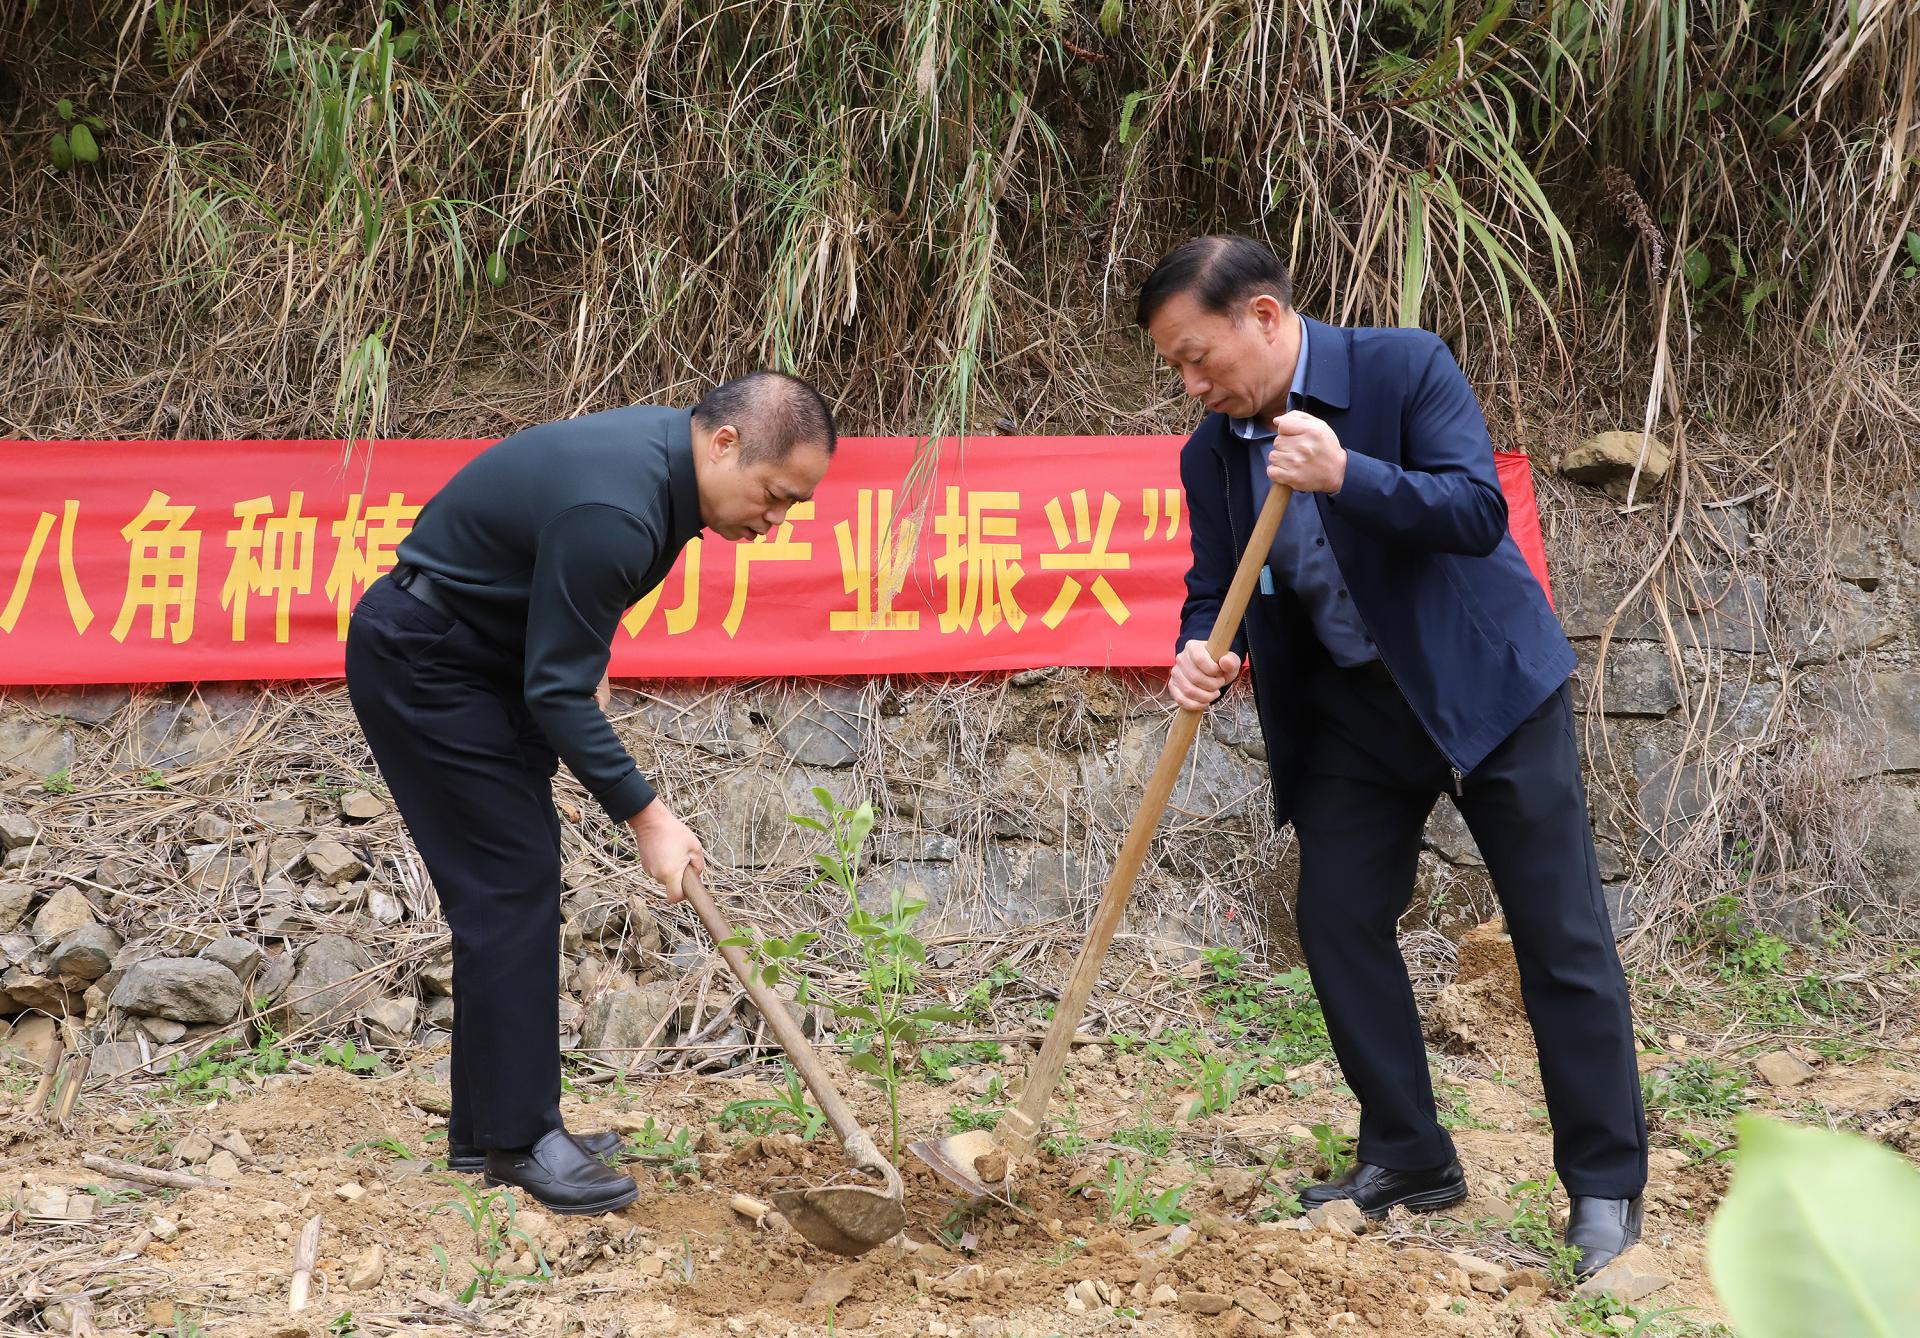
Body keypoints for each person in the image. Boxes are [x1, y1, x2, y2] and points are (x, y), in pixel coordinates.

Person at [1139, 236, 1647, 1276]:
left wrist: (1347, 473)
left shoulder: (1401, 367)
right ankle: (1410, 1154)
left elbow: (1473, 511)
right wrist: (1201, 646)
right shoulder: (1211, 453)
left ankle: (1603, 1186)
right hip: (1353, 715)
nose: (1191, 384)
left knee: (1559, 936)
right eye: (1176, 368)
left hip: (1486, 686)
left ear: (1268, 318)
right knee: (1335, 918)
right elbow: (1214, 583)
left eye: (1199, 356)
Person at [345, 371, 836, 1215]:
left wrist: (581, 659)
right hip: (432, 663)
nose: (776, 519)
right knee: (508, 888)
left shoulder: (662, 465)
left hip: (481, 654)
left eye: (793, 505)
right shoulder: (622, 508)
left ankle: (489, 1124)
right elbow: (559, 692)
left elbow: (557, 611)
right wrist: (650, 818)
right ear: (725, 443)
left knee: (517, 883)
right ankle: (519, 1139)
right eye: (773, 494)